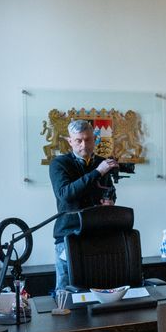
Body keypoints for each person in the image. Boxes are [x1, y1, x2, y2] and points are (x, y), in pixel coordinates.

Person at [49, 119, 118, 289]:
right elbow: (66, 194)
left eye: (87, 139)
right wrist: (97, 172)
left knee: (98, 286)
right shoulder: (59, 164)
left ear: (94, 140)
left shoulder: (102, 163)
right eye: (78, 140)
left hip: (98, 233)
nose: (83, 145)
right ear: (70, 141)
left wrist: (110, 201)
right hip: (69, 234)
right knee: (66, 290)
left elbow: (110, 190)